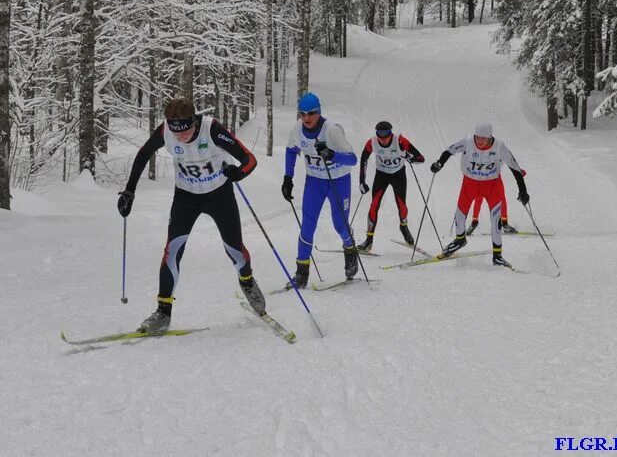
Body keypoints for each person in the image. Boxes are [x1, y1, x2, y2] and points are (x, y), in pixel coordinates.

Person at [117, 96, 265, 334]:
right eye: (177, 133)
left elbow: (250, 159)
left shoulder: (211, 129)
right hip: (186, 197)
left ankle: (247, 281)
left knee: (234, 249)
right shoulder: (166, 130)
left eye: (185, 131)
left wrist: (237, 174)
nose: (182, 137)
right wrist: (129, 191)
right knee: (172, 250)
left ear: (193, 122)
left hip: (219, 195)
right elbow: (144, 154)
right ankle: (162, 312)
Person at [281, 93, 358, 288]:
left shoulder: (331, 130)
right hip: (315, 181)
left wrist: (332, 154)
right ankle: (301, 274)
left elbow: (352, 159)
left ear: (319, 112)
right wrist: (287, 178)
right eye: (302, 114)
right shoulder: (298, 129)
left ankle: (350, 249)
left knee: (340, 225)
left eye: (311, 114)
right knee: (307, 226)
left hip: (338, 181)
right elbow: (291, 151)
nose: (306, 118)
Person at [429, 121, 529, 267]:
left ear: (490, 137)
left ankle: (497, 255)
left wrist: (523, 190)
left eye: (484, 138)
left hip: (491, 185)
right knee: (460, 214)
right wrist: (439, 163)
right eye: (478, 137)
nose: (480, 141)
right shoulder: (468, 142)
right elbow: (449, 151)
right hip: (470, 184)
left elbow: (515, 167)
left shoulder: (499, 146)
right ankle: (460, 240)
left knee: (496, 220)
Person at [357, 121, 425, 251]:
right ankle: (369, 240)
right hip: (381, 175)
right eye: (380, 135)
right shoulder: (372, 142)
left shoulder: (400, 141)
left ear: (391, 133)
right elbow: (363, 159)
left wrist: (410, 157)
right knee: (374, 205)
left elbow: (421, 158)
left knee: (401, 204)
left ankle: (403, 227)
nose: (383, 139)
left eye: (386, 135)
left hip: (398, 175)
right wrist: (361, 182)